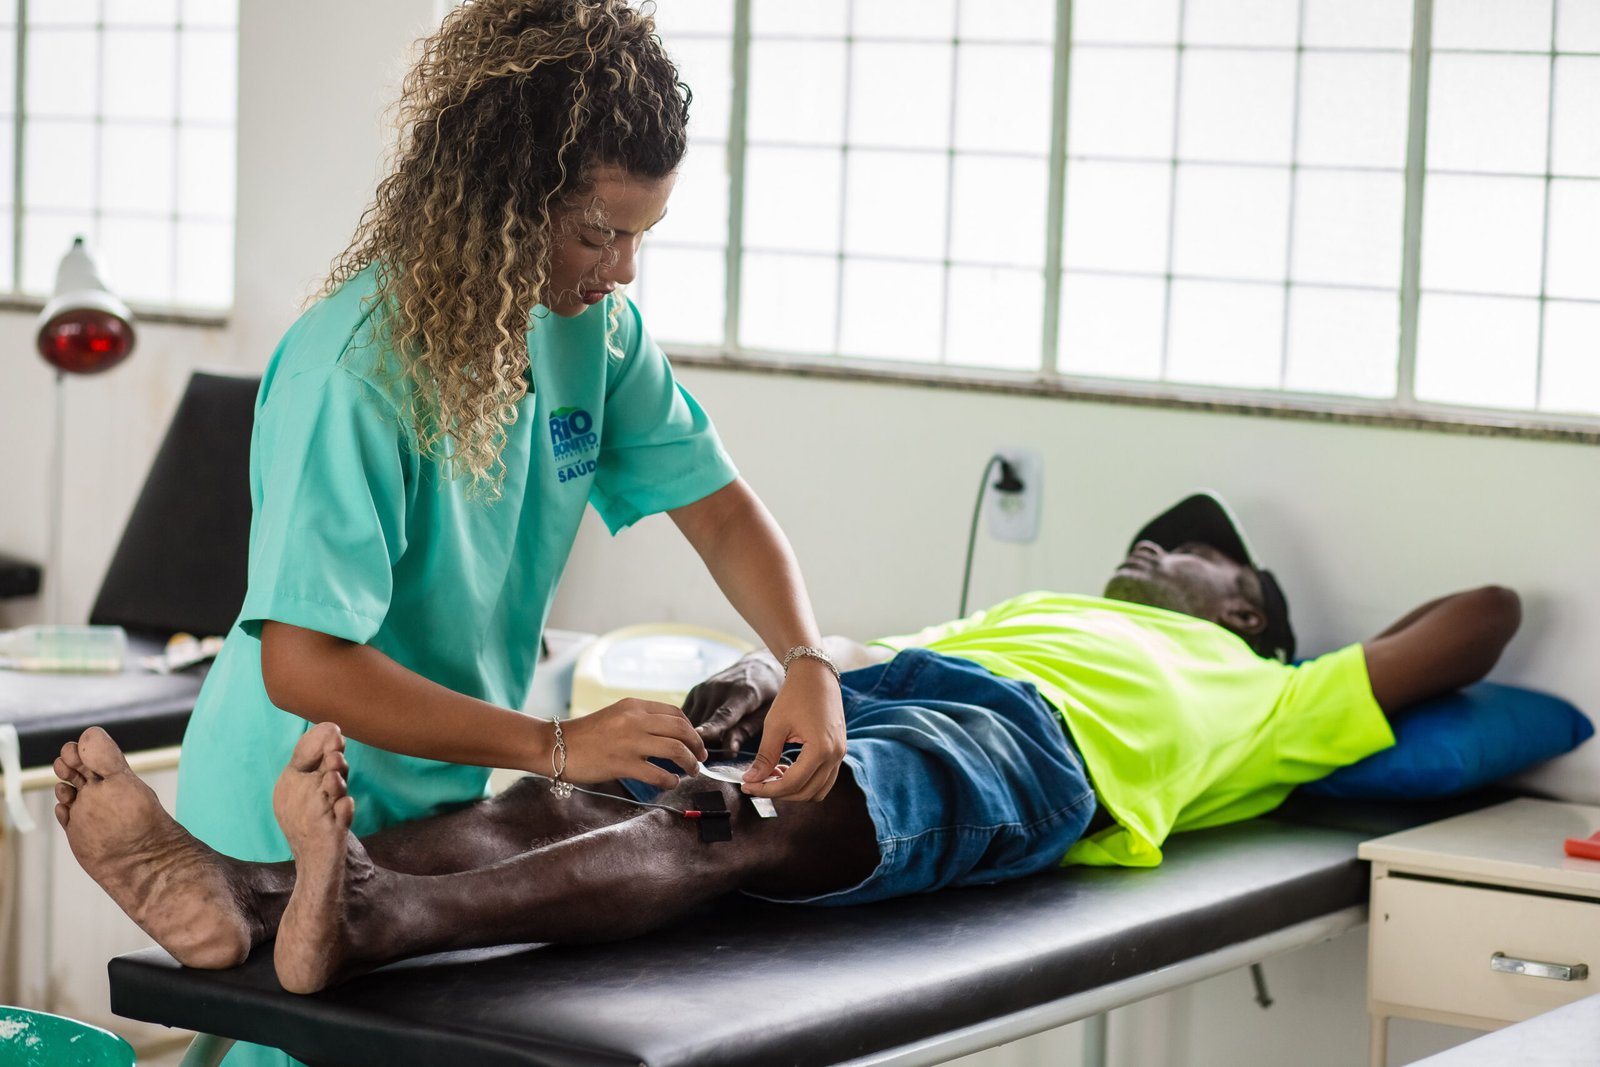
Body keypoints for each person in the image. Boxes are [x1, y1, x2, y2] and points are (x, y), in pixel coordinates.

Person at [55, 491, 1522, 996]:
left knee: (717, 824)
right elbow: (860, 659)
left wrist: (1301, 649)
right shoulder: (1043, 604)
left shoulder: (1270, 684)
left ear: (1246, 605)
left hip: (1034, 752)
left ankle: (378, 915)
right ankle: (251, 892)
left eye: (1193, 551)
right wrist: (772, 673)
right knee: (610, 780)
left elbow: (1485, 616)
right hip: (909, 683)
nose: (1154, 544)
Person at [179, 0, 845, 888]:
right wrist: (555, 744)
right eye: (598, 234)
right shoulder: (349, 374)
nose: (624, 269)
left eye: (642, 235)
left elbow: (719, 511)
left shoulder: (594, 331)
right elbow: (301, 662)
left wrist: (806, 660)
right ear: (505, 199)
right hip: (277, 806)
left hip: (435, 806)